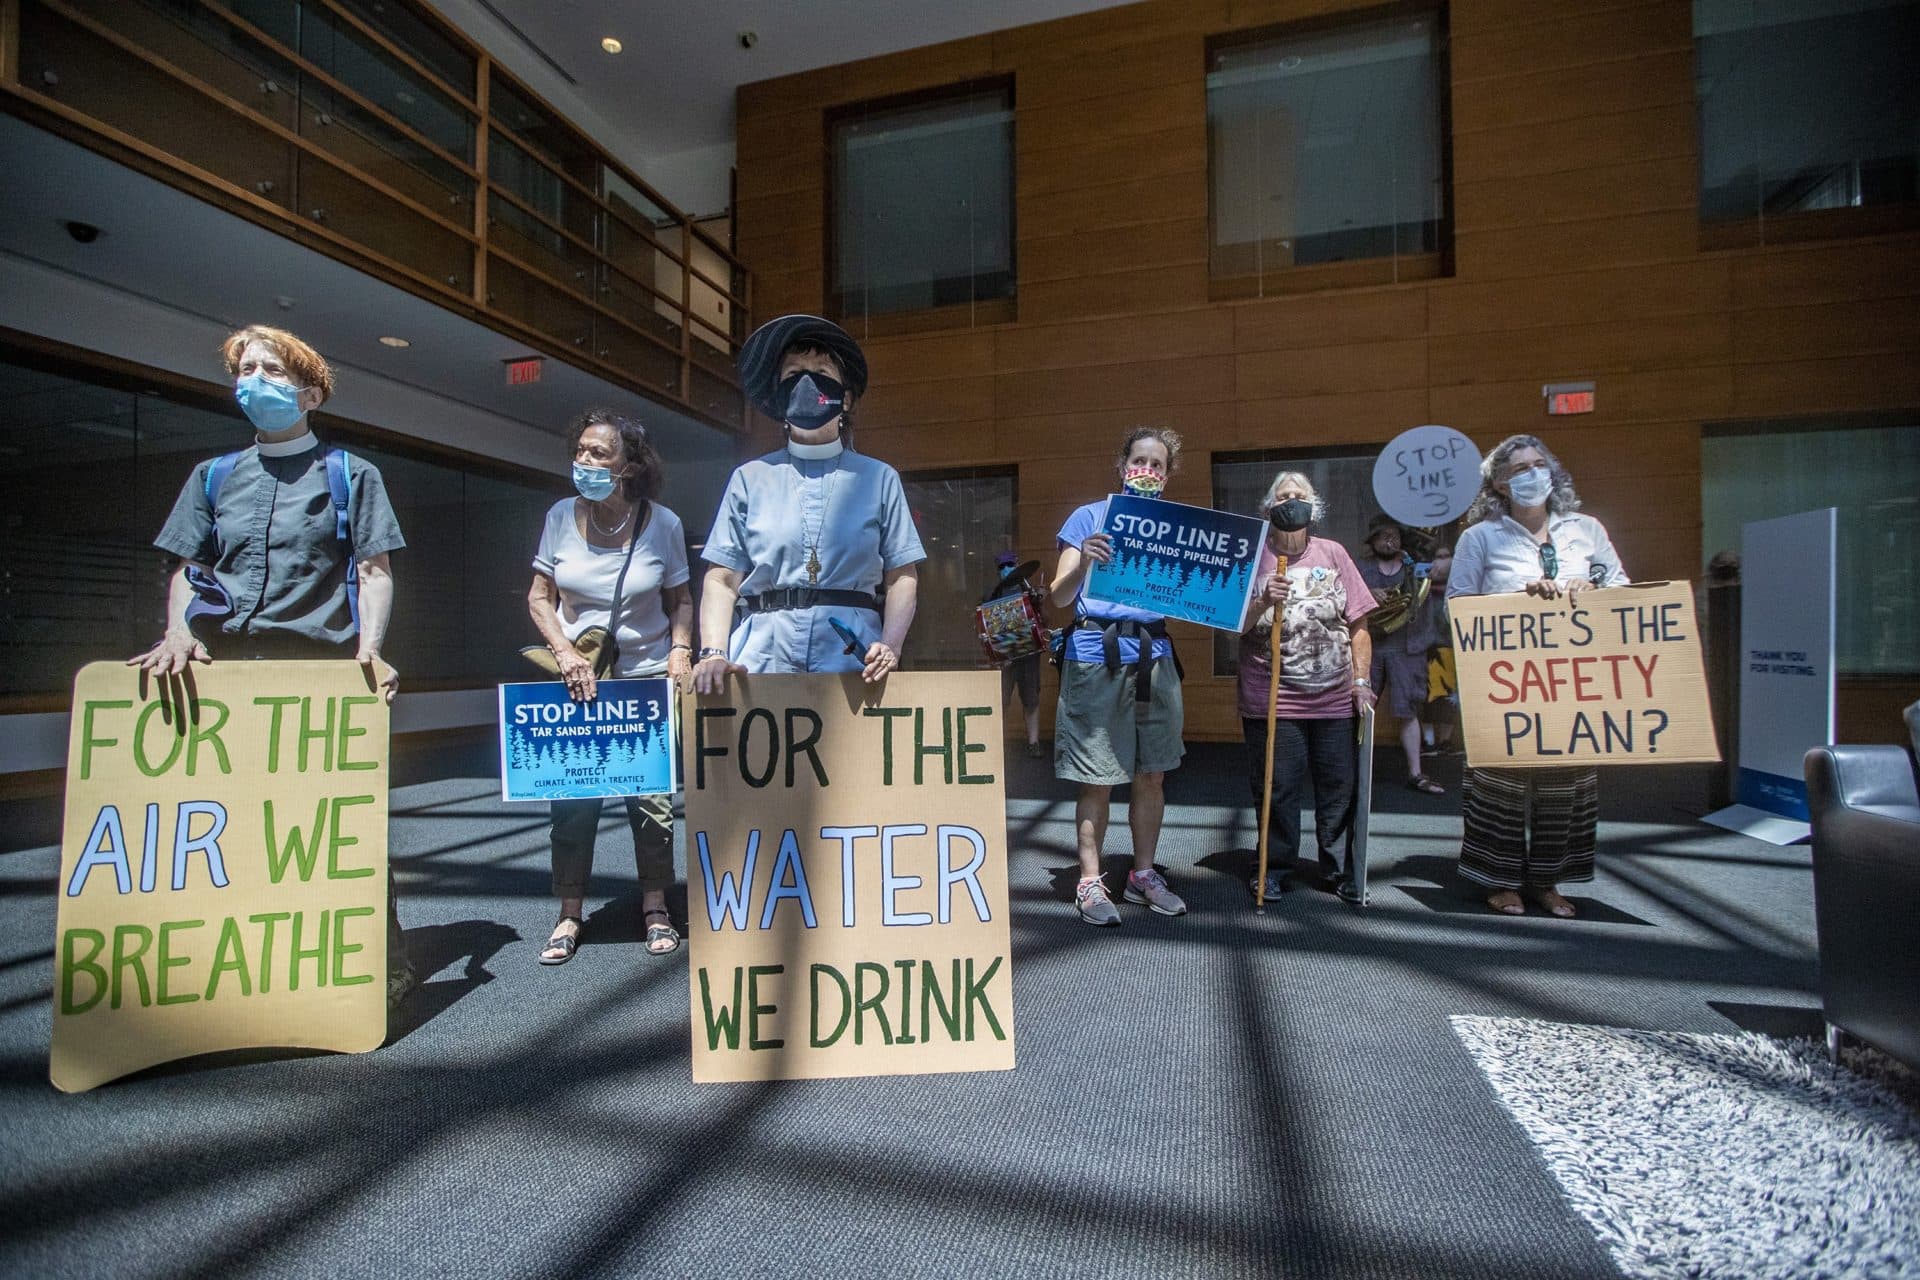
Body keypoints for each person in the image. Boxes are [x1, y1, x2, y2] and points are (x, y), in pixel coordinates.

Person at [131, 323, 414, 1006]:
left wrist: (368, 652)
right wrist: (176, 631)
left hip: (315, 673)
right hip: (225, 671)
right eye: (245, 368)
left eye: (272, 371)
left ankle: (382, 961)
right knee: (231, 821)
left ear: (311, 394)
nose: (253, 380)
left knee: (337, 825)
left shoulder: (351, 475)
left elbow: (374, 571)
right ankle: (253, 961)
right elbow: (191, 567)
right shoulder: (213, 477)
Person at [526, 410, 692, 964]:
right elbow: (538, 597)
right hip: (579, 678)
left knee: (651, 802)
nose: (587, 462)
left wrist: (679, 650)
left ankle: (655, 907)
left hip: (643, 678)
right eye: (581, 451)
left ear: (630, 465)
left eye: (600, 454)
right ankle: (569, 914)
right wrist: (566, 654)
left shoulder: (662, 524)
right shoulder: (558, 516)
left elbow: (681, 601)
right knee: (572, 801)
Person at [693, 315, 924, 694]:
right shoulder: (750, 478)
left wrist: (891, 645)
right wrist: (714, 651)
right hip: (761, 657)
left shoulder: (879, 478)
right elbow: (721, 578)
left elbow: (901, 575)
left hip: (851, 658)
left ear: (845, 397)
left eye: (821, 370)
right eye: (794, 373)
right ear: (779, 396)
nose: (806, 381)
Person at [1448, 434, 1626, 918]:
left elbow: (1623, 589)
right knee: (1498, 784)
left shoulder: (1587, 530)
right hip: (1505, 683)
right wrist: (1518, 602)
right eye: (1519, 468)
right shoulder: (1480, 537)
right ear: (1500, 485)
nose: (1532, 473)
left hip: (1572, 682)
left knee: (1565, 787)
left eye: (1539, 464)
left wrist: (1592, 587)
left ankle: (1547, 882)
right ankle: (1499, 881)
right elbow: (1457, 605)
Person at [1049, 427, 1189, 925]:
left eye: (1157, 464)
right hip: (1094, 655)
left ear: (1168, 475)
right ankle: (1090, 880)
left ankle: (1143, 874)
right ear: (1121, 463)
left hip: (1154, 656)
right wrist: (1085, 558)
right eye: (1139, 460)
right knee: (1099, 776)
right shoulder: (1089, 517)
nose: (1147, 470)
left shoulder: (1178, 529)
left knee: (1152, 773)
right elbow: (1059, 596)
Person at [1238, 472, 1377, 904]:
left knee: (1338, 788)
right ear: (1268, 508)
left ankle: (1336, 870)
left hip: (1334, 697)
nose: (1293, 502)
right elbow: (1234, 629)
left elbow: (1358, 622)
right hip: (1273, 697)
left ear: (1314, 508)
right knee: (1277, 789)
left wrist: (1360, 681)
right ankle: (1275, 867)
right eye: (1284, 496)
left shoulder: (1333, 554)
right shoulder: (1252, 558)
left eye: (1301, 496)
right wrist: (1261, 600)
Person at [1358, 514, 1445, 794]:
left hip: (1407, 647)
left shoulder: (1415, 570)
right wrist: (1369, 593)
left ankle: (1416, 773)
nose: (1390, 540)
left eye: (1394, 535)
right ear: (1373, 541)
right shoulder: (1360, 570)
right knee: (1359, 711)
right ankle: (1354, 773)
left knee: (1408, 711)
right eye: (1384, 536)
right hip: (1369, 644)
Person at [985, 550, 1047, 759]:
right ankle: (997, 744)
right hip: (1005, 658)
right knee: (1001, 701)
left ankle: (1034, 742)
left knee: (1031, 699)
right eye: (1002, 567)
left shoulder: (1028, 590)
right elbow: (983, 625)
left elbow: (1043, 621)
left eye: (1009, 565)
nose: (1006, 570)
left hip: (1028, 655)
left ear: (1016, 565)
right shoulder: (992, 594)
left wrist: (1040, 601)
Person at [1422, 544, 1461, 757]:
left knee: (1449, 695)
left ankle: (1445, 741)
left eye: (1446, 556)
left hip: (1451, 645)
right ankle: (1428, 741)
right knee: (1426, 695)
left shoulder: (1458, 584)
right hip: (1425, 645)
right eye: (1438, 556)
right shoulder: (1421, 584)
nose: (1442, 561)